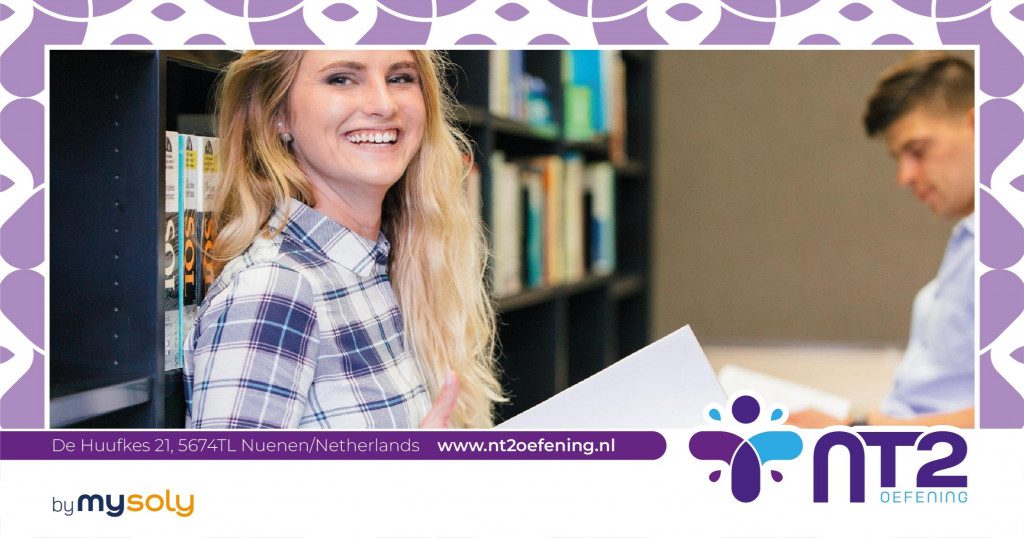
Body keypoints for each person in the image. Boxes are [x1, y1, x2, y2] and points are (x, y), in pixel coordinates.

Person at [184, 50, 503, 428]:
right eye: (341, 78)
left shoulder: (390, 265)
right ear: (276, 114)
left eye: (400, 78)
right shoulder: (275, 289)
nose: (383, 104)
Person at [789, 52, 976, 428]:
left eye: (918, 151)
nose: (904, 176)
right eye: (898, 158)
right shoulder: (969, 239)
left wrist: (857, 430)